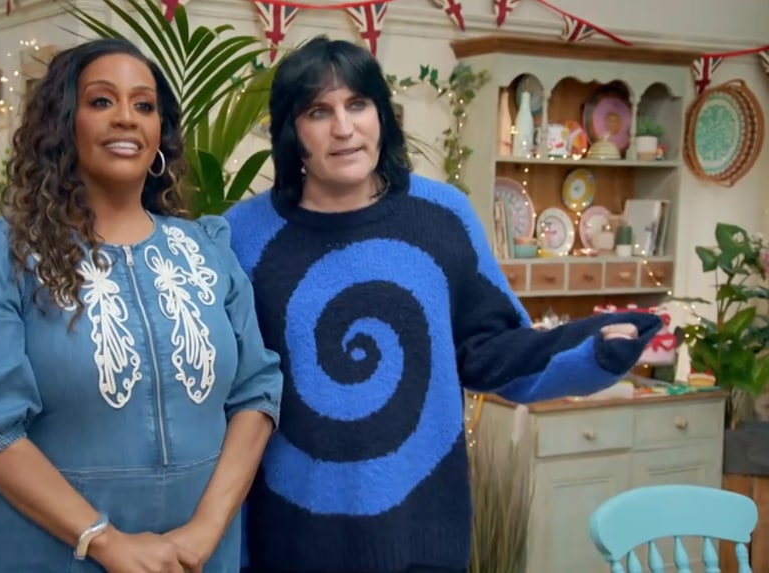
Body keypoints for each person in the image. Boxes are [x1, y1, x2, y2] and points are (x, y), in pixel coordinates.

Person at [223, 36, 662, 573]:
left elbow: (491, 349)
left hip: (423, 537)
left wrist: (589, 349)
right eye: (319, 111)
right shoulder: (242, 237)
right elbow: (225, 393)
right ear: (292, 131)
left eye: (358, 104)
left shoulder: (442, 217)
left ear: (382, 115)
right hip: (288, 544)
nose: (343, 128)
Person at [0, 37, 283, 573]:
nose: (126, 118)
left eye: (144, 105)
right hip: (43, 554)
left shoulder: (207, 249)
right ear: (62, 125)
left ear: (160, 132)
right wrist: (103, 540)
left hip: (193, 558)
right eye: (101, 101)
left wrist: (204, 533)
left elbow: (256, 391)